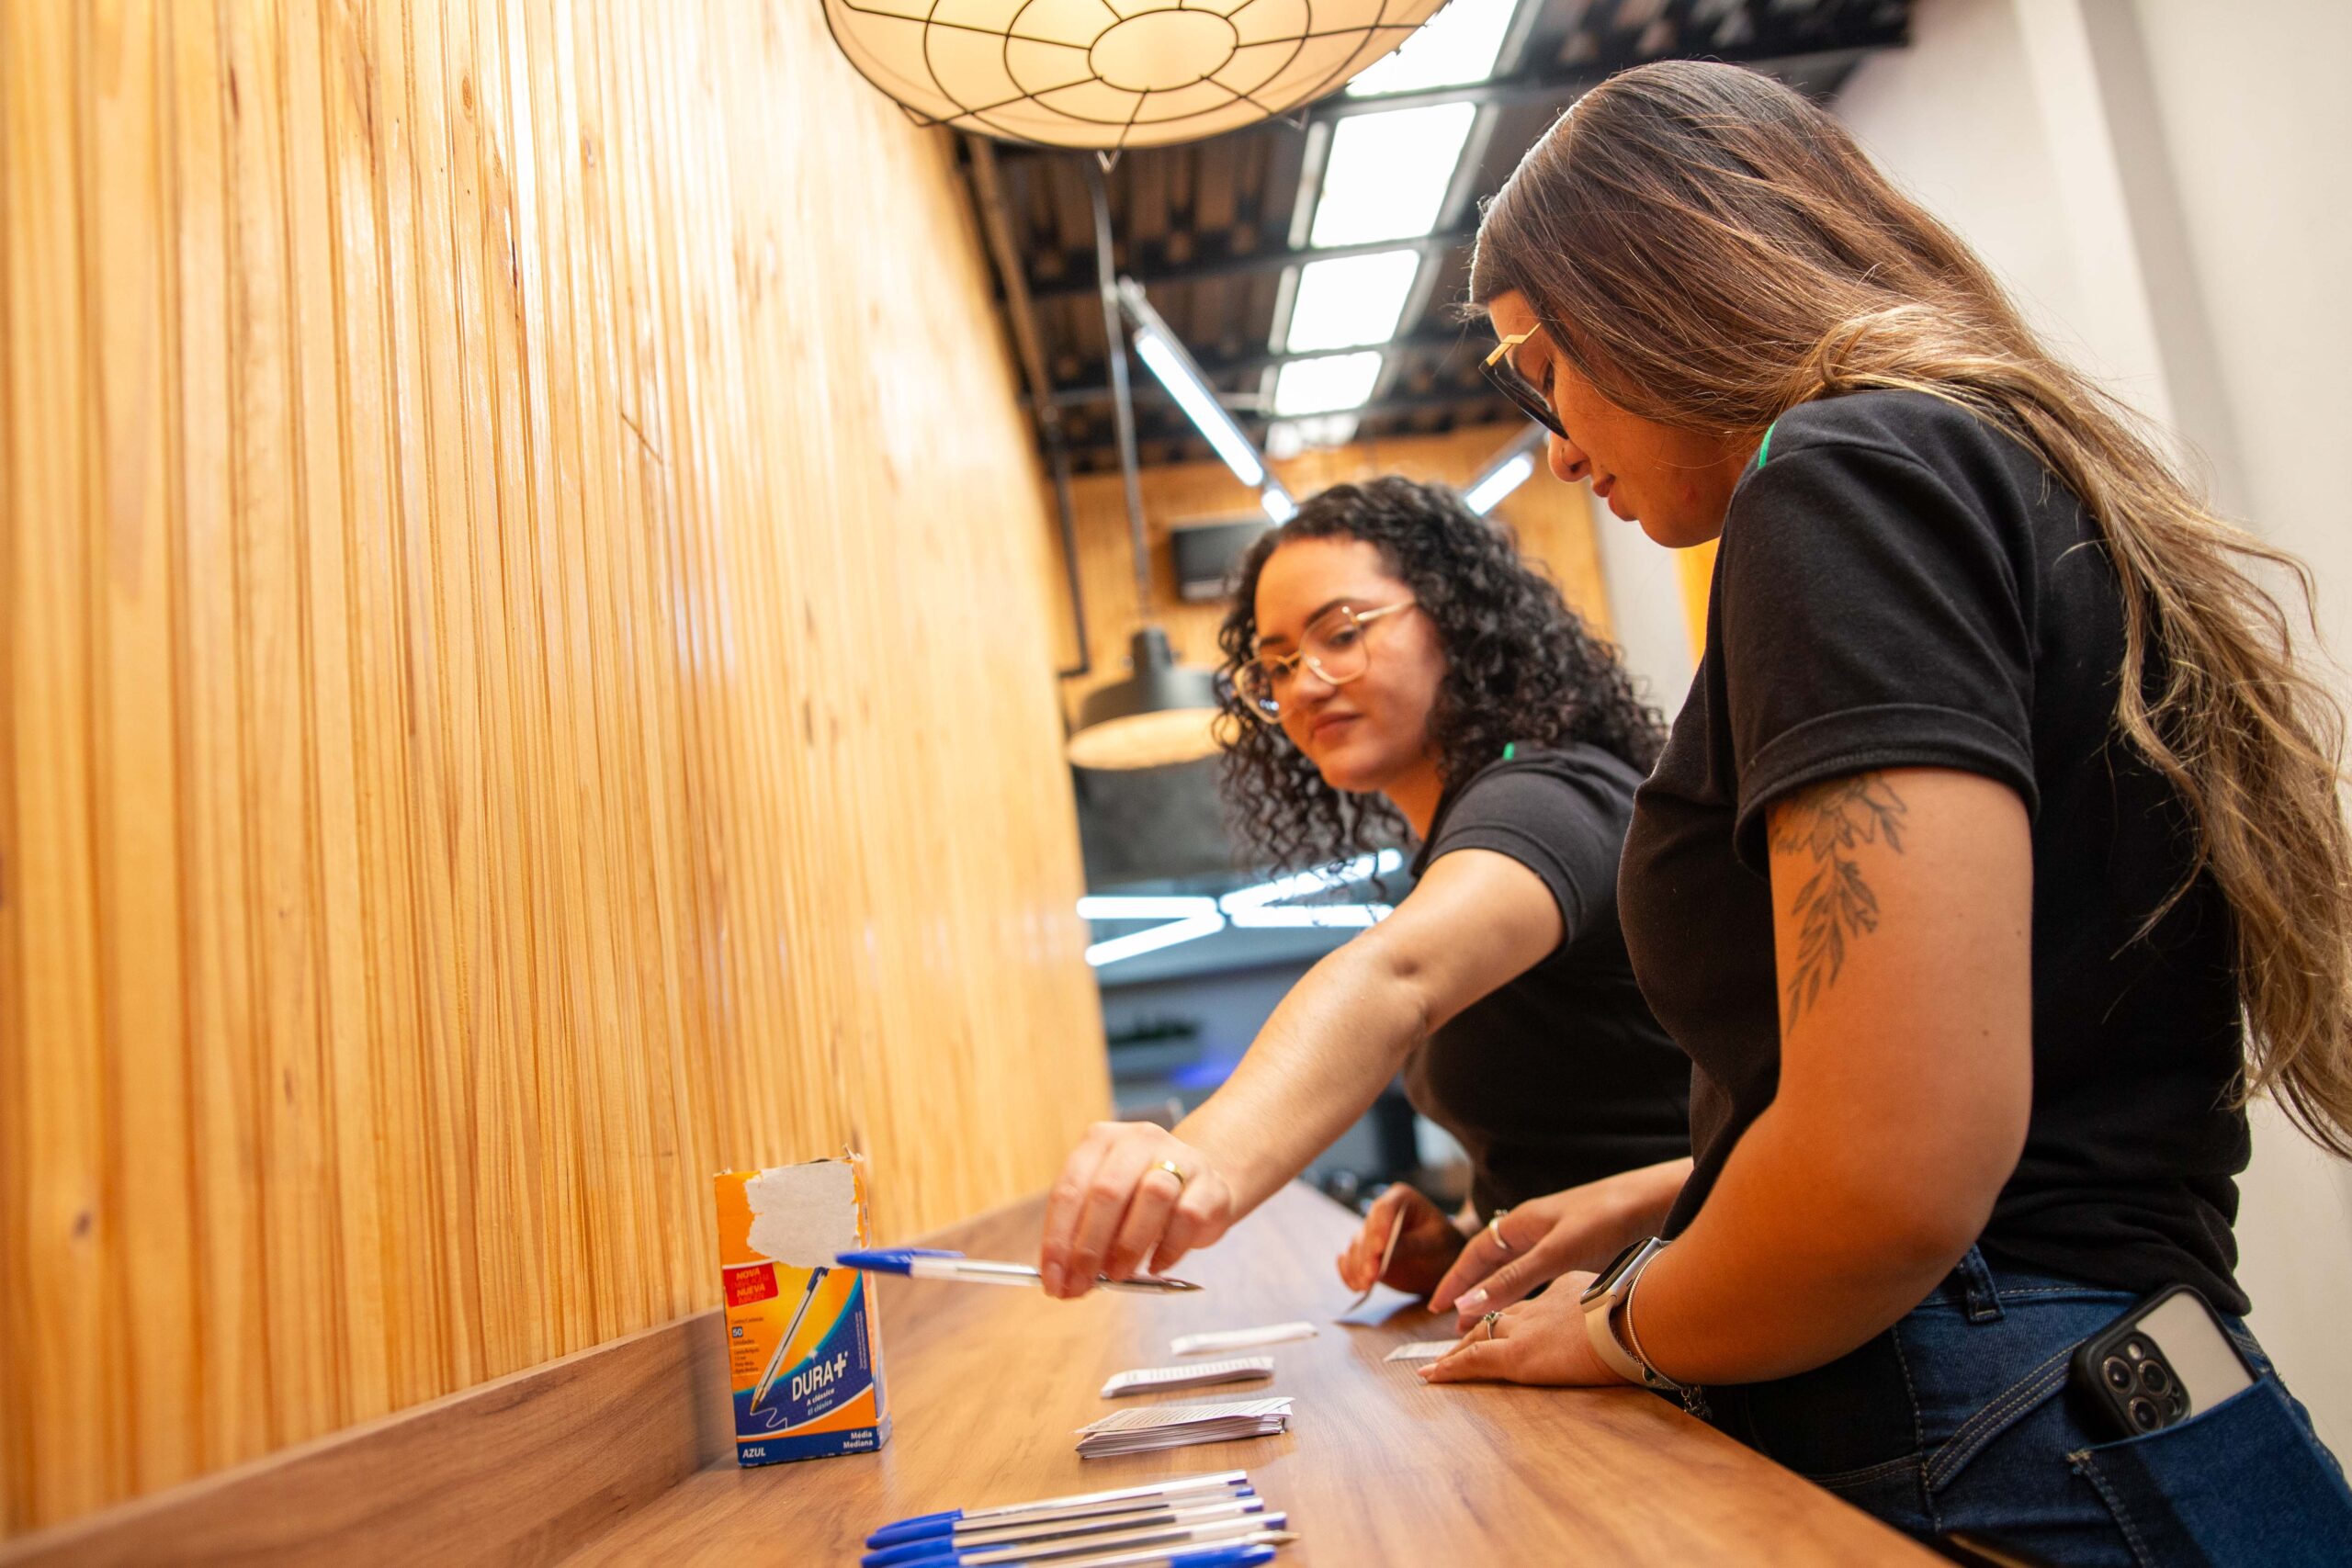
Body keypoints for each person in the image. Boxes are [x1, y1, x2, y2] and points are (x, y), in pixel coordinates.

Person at [1419, 58, 2352, 1563]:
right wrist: (1691, 1193)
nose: (1555, 437)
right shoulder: (1979, 462)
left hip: (1980, 1406)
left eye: (1539, 362)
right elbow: (2027, 1061)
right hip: (2114, 1388)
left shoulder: (1836, 471)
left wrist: (1622, 1325)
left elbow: (1892, 1172)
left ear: (1660, 285)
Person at [1035, 476, 1691, 1310]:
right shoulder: (1460, 837)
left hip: (1703, 1327)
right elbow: (1590, 1135)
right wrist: (1467, 1228)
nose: (1304, 682)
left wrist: (1194, 1157)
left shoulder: (1546, 799)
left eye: (1340, 634)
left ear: (1456, 619)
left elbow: (1397, 978)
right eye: (1275, 663)